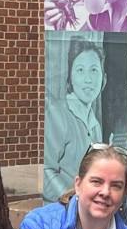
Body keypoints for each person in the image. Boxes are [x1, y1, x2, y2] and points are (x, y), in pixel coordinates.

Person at [44, 42, 107, 199]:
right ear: (70, 78)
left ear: (103, 77)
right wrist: (72, 200)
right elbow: (44, 171)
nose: (88, 79)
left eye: (94, 70)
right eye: (80, 70)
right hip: (60, 211)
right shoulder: (57, 114)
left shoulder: (95, 125)